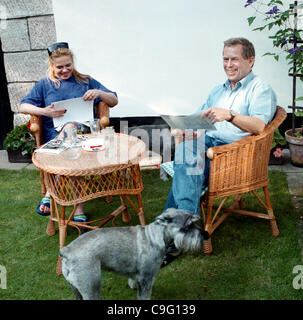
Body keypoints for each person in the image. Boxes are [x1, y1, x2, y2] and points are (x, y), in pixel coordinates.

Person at [161, 37, 277, 267]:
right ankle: (180, 230)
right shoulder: (218, 91)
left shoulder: (260, 89)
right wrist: (189, 130)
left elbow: (259, 127)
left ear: (250, 61)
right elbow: (198, 119)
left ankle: (169, 234)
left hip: (234, 158)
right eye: (225, 59)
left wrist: (231, 115)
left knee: (186, 164)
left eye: (235, 59)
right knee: (186, 151)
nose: (229, 64)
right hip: (207, 147)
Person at [19, 42, 118, 221]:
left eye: (68, 65)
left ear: (73, 63)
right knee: (70, 147)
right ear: (52, 66)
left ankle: (51, 192)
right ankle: (78, 210)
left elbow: (113, 100)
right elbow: (22, 106)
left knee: (71, 132)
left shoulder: (85, 81)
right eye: (60, 67)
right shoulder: (45, 85)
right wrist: (44, 112)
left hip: (86, 134)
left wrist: (98, 93)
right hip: (54, 136)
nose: (65, 70)